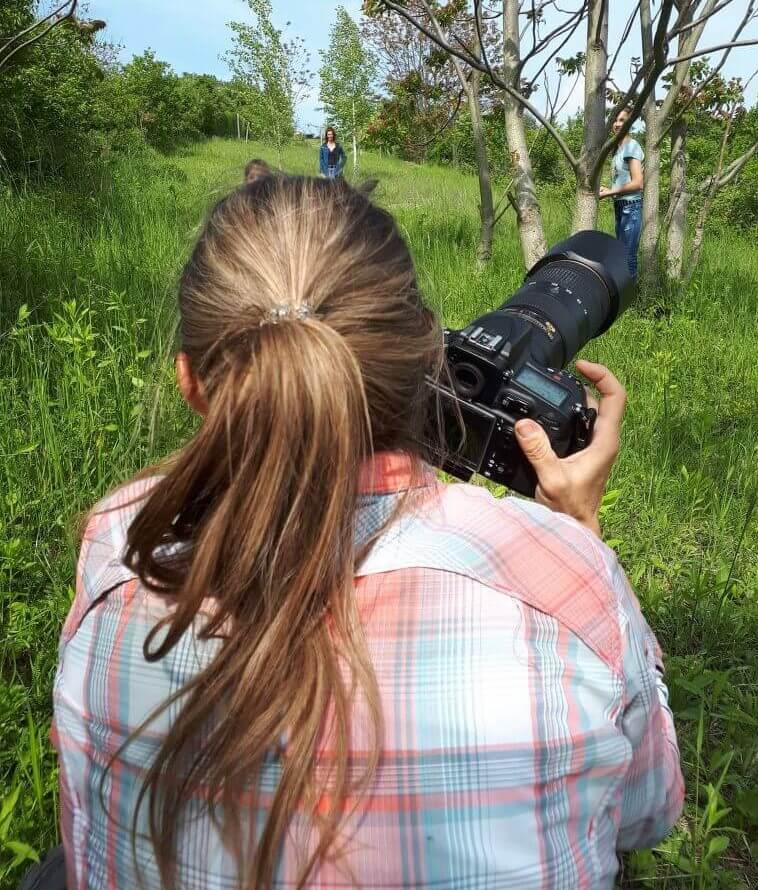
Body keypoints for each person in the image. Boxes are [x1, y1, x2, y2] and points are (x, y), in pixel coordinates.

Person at [51, 175, 683, 890]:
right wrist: (575, 535)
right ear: (423, 361)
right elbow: (646, 813)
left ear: (191, 382)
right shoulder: (558, 579)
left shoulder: (119, 542)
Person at [599, 107, 644, 278]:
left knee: (628, 257)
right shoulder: (617, 150)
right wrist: (608, 190)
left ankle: (630, 299)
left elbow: (638, 183)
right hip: (620, 206)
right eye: (615, 120)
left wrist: (611, 192)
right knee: (621, 256)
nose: (617, 124)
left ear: (630, 123)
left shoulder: (632, 146)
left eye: (622, 120)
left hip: (631, 208)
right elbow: (622, 180)